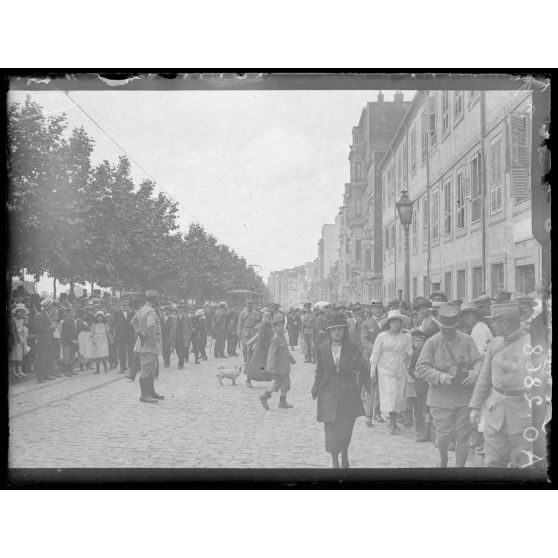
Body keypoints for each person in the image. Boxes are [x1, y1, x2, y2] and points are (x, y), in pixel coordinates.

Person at [415, 304, 483, 467]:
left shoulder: (467, 340)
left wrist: (475, 372)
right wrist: (439, 376)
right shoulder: (432, 342)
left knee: (463, 436)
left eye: (451, 328)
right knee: (443, 435)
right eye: (444, 328)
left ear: (456, 326)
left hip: (463, 396)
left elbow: (479, 361)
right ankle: (443, 458)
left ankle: (459, 469)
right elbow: (421, 367)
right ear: (439, 326)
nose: (447, 331)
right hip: (441, 397)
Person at [469, 301, 536, 467]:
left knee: (524, 462)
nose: (492, 325)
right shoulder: (495, 343)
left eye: (495, 322)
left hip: (523, 414)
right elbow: (484, 378)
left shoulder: (533, 344)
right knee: (492, 461)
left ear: (505, 323)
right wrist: (475, 407)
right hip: (495, 412)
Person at [311, 313, 370, 468]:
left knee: (346, 426)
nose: (337, 332)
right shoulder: (322, 348)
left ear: (344, 330)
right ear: (329, 331)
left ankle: (344, 452)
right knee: (330, 428)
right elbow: (319, 370)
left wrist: (364, 384)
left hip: (348, 389)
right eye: (333, 329)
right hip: (328, 390)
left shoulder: (352, 347)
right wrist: (315, 387)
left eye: (339, 329)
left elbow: (362, 367)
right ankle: (334, 460)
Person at [369, 310, 413, 435]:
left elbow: (410, 352)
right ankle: (392, 422)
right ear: (389, 323)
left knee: (398, 395)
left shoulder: (405, 337)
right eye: (394, 322)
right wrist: (372, 371)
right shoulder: (382, 336)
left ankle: (393, 420)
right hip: (385, 367)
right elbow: (376, 353)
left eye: (398, 322)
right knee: (391, 393)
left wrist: (407, 356)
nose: (396, 324)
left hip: (400, 367)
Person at [131, 292, 164, 403]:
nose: (158, 301)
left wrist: (139, 331)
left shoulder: (141, 310)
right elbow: (150, 325)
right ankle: (144, 396)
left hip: (144, 342)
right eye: (156, 299)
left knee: (152, 368)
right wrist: (150, 340)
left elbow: (133, 321)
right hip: (149, 344)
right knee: (146, 369)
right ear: (153, 299)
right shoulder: (151, 311)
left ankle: (151, 392)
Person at [259, 314, 296, 410]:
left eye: (282, 325)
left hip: (283, 366)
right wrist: (270, 366)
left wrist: (291, 358)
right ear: (274, 328)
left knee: (277, 384)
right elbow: (271, 353)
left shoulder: (282, 337)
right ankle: (281, 402)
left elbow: (285, 351)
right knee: (285, 383)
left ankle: (266, 396)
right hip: (279, 367)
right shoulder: (275, 339)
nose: (281, 328)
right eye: (278, 326)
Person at [361, 300, 384, 426]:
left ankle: (377, 412)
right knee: (370, 386)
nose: (378, 310)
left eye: (380, 308)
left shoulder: (385, 323)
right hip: (370, 358)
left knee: (381, 386)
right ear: (371, 310)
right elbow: (364, 341)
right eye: (375, 308)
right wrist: (376, 350)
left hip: (384, 359)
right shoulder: (366, 324)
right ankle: (368, 415)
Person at [245, 306, 274, 388]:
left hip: (266, 348)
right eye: (268, 317)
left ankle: (264, 378)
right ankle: (248, 379)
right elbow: (261, 338)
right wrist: (266, 345)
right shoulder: (263, 325)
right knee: (255, 364)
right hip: (261, 349)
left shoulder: (269, 326)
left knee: (263, 365)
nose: (270, 318)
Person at [408, 330, 428, 437]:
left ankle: (427, 427)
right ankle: (420, 427)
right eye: (416, 341)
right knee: (419, 406)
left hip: (428, 382)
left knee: (427, 406)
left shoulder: (429, 352)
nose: (418, 343)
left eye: (420, 340)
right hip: (419, 383)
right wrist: (413, 373)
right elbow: (410, 367)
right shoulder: (415, 353)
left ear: (424, 341)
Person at [109, 299, 136, 375]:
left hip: (130, 334)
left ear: (128, 304)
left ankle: (131, 367)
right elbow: (112, 322)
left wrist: (135, 332)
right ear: (121, 304)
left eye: (126, 303)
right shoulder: (116, 312)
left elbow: (135, 323)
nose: (125, 304)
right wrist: (111, 332)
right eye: (123, 303)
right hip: (120, 335)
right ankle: (122, 368)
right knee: (121, 351)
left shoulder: (132, 312)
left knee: (131, 351)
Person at [31, 297, 55, 383]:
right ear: (48, 306)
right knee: (41, 358)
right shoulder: (39, 315)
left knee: (48, 357)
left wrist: (51, 328)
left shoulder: (46, 314)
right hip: (42, 340)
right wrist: (50, 328)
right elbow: (38, 329)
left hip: (48, 339)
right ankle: (39, 376)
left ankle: (46, 374)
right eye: (51, 306)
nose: (52, 307)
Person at [237, 299, 260, 364]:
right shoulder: (243, 312)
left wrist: (257, 327)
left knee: (250, 348)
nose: (249, 305)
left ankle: (250, 360)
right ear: (246, 305)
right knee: (244, 347)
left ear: (252, 305)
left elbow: (258, 322)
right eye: (248, 304)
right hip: (244, 331)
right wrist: (238, 332)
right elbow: (239, 323)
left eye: (251, 304)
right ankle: (245, 361)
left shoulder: (255, 313)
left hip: (252, 332)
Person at [9, 304, 28, 380]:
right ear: (16, 312)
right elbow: (14, 330)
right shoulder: (13, 320)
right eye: (19, 311)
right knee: (14, 356)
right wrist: (16, 339)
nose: (20, 313)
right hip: (15, 340)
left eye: (22, 312)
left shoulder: (23, 320)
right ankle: (13, 371)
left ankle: (19, 370)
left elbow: (24, 330)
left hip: (21, 339)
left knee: (20, 356)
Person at [60, 307, 78, 376]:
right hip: (67, 342)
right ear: (68, 313)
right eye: (72, 312)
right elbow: (66, 333)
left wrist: (75, 339)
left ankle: (71, 370)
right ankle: (66, 371)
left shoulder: (72, 322)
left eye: (74, 312)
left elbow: (74, 332)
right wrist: (72, 340)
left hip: (72, 342)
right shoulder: (65, 322)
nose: (74, 313)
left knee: (72, 356)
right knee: (66, 357)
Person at [175, 303, 193, 368]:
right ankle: (181, 359)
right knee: (177, 350)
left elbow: (190, 327)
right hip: (176, 337)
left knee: (182, 350)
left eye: (181, 308)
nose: (180, 310)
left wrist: (189, 334)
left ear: (183, 309)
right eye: (179, 308)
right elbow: (172, 328)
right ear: (177, 309)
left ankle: (180, 364)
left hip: (184, 337)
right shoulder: (175, 317)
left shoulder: (186, 317)